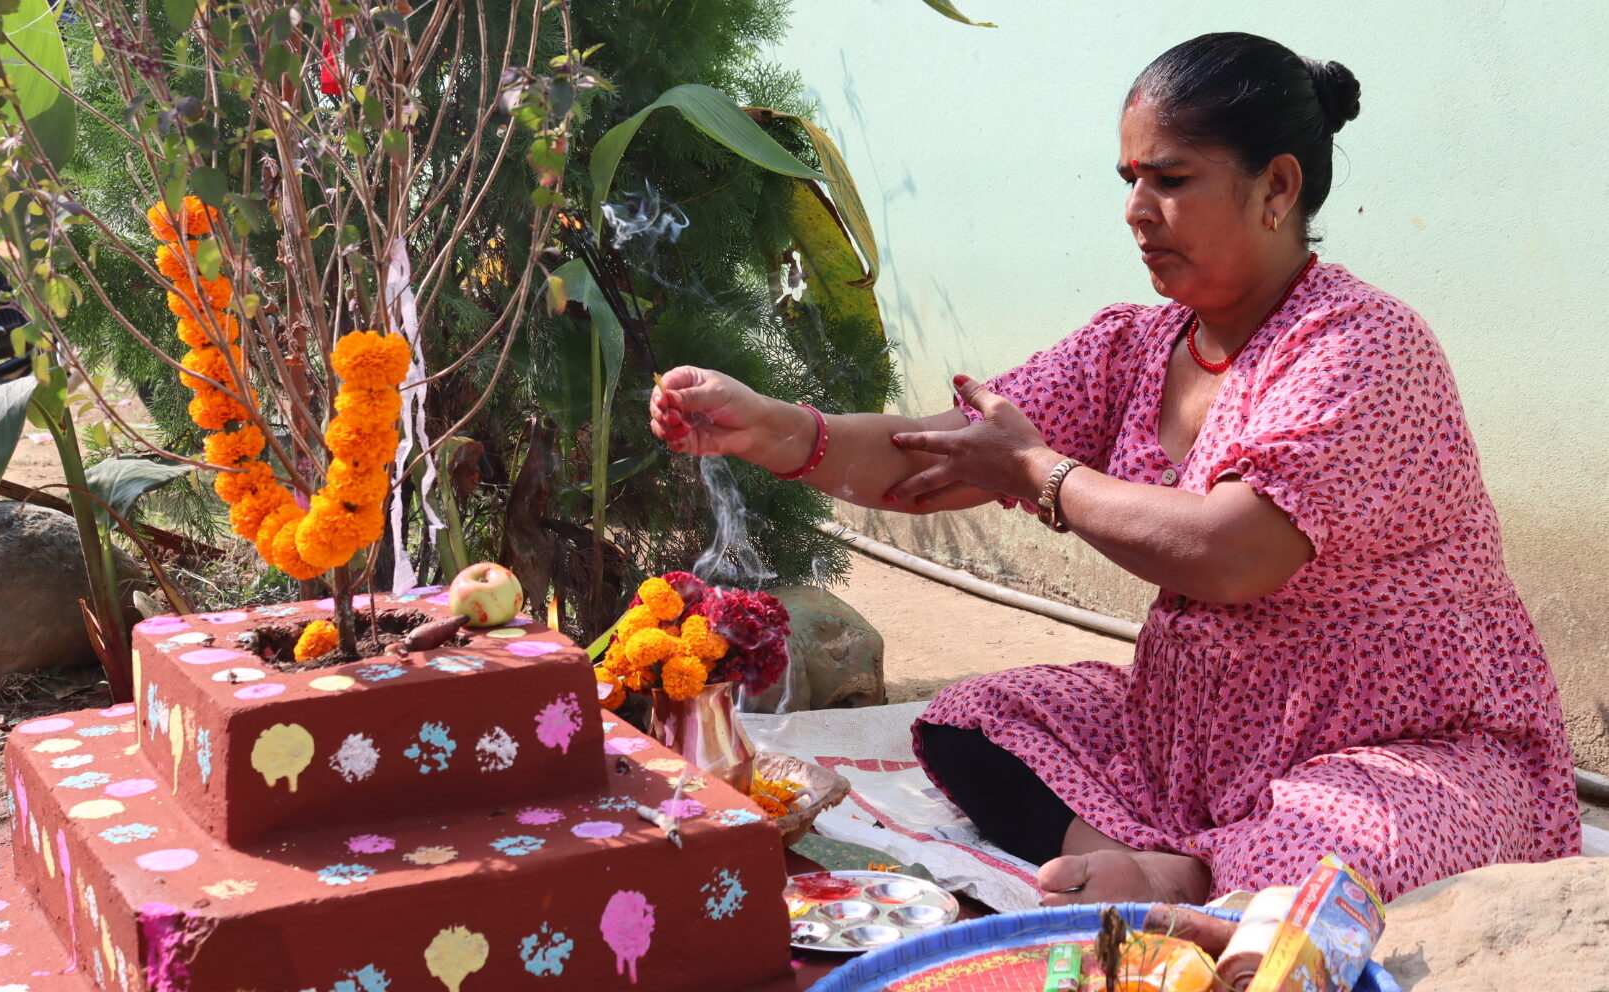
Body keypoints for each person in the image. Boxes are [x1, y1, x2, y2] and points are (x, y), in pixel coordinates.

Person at [647, 32, 1580, 904]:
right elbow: (942, 456)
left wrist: (1040, 474)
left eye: (1170, 180)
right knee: (974, 720)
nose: (1137, 211)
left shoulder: (1360, 346)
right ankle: (1144, 860)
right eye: (1130, 180)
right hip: (1193, 742)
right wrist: (769, 428)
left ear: (1276, 186)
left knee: (1346, 843)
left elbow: (1231, 555)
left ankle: (1179, 876)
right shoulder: (1133, 347)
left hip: (1399, 745)